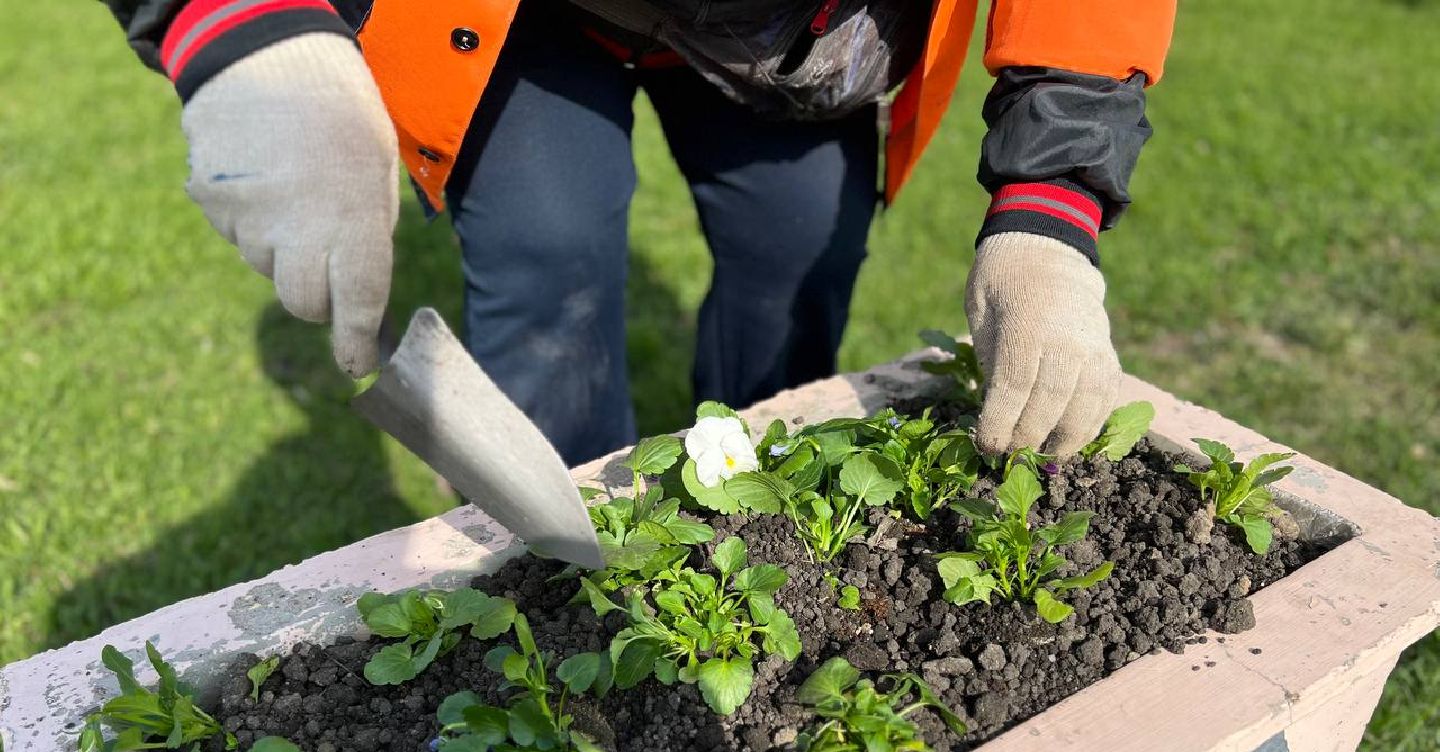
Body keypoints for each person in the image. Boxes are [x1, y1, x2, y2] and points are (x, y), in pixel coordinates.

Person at [102, 0, 1175, 465]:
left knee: (801, 243)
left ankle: (756, 489)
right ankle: (569, 560)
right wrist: (242, 32)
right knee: (548, 250)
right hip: (526, 21)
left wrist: (1052, 206)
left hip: (794, 40)